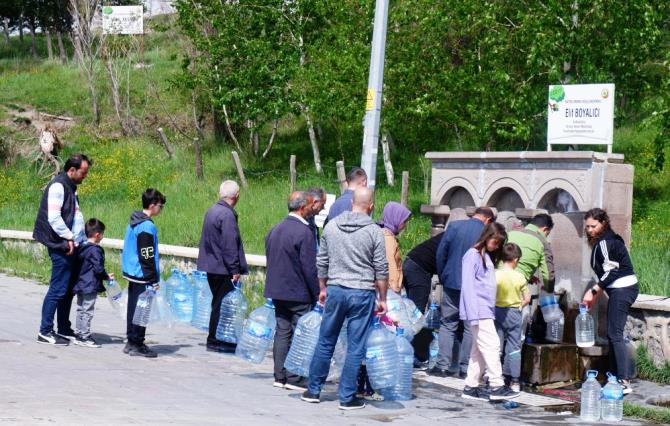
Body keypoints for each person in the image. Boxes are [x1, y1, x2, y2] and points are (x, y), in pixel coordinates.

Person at [301, 187, 388, 411]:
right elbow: (381, 268)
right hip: (362, 292)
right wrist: (383, 298)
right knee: (355, 346)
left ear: (352, 204)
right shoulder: (374, 231)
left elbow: (321, 261)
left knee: (326, 340)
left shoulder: (331, 226)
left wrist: (322, 287)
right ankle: (347, 397)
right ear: (371, 206)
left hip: (336, 289)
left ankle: (313, 390)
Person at [430, 207, 495, 377]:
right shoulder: (487, 232)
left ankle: (441, 366)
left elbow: (440, 253)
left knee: (447, 324)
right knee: (469, 326)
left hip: (452, 281)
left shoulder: (454, 226)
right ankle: (465, 368)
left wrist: (443, 275)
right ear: (488, 219)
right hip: (473, 286)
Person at [34, 153, 91, 345]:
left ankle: (64, 329)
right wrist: (70, 237)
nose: (85, 176)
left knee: (67, 290)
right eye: (83, 172)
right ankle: (45, 331)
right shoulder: (59, 186)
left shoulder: (70, 187)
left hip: (71, 245)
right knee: (58, 289)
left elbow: (73, 215)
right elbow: (54, 218)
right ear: (72, 170)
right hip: (61, 245)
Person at [264, 191, 319, 391]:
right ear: (303, 207)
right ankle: (294, 377)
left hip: (277, 290)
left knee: (282, 332)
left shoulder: (275, 229)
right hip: (297, 292)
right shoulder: (304, 233)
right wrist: (317, 293)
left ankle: (280, 375)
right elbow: (310, 268)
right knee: (299, 333)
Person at [460, 223, 520, 401]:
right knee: (492, 345)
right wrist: (473, 314)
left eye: (499, 243)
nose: (496, 246)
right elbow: (468, 286)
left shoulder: (485, 256)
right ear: (486, 236)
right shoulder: (472, 256)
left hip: (485, 309)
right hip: (478, 310)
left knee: (479, 349)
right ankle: (496, 385)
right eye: (495, 241)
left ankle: (470, 386)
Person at [582, 208, 638, 395]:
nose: (590, 230)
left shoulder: (606, 242)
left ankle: (623, 380)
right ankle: (614, 377)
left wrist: (593, 291)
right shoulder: (604, 240)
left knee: (615, 334)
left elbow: (611, 271)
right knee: (612, 334)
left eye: (593, 226)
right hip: (620, 289)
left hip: (623, 288)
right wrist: (595, 294)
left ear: (603, 223)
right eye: (587, 226)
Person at [197, 180, 248, 353]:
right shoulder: (227, 215)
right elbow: (229, 244)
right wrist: (235, 269)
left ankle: (217, 338)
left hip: (212, 265)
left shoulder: (212, 211)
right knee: (222, 305)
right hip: (223, 267)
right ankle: (216, 340)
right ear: (237, 195)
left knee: (218, 303)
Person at [121, 188, 165, 358]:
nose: (161, 209)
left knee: (134, 307)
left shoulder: (134, 221)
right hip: (142, 274)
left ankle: (131, 340)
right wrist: (153, 279)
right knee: (142, 309)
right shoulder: (146, 226)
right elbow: (146, 254)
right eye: (160, 205)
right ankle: (137, 343)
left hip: (132, 272)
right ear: (152, 205)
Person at [403, 232, 444, 365]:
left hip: (411, 263)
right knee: (416, 313)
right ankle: (411, 354)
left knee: (411, 311)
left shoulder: (450, 235)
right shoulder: (458, 240)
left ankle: (408, 351)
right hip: (419, 269)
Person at [72, 218, 113, 348]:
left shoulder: (82, 247)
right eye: (102, 233)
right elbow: (98, 269)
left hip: (80, 283)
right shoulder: (95, 250)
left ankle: (79, 333)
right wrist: (107, 276)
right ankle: (85, 336)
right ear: (97, 235)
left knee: (80, 309)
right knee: (88, 310)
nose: (103, 236)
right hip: (90, 285)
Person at [494, 242, 529, 392]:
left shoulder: (495, 274)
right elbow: (527, 298)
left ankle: (494, 377)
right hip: (514, 312)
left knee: (496, 346)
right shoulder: (520, 276)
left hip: (496, 312)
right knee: (514, 347)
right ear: (515, 259)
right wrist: (520, 305)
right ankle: (514, 381)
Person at [507, 213, 555, 292]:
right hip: (516, 286)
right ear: (545, 229)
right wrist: (549, 290)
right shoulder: (542, 242)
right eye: (547, 234)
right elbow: (548, 274)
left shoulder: (511, 233)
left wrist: (529, 276)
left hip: (497, 279)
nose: (546, 236)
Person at [379, 202, 412, 294]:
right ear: (395, 218)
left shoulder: (382, 233)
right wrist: (395, 289)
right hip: (389, 290)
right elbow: (390, 265)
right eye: (404, 221)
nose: (405, 225)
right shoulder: (388, 239)